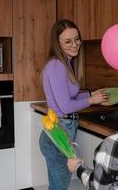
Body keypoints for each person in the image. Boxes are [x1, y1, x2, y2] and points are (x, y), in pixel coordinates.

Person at [39, 19, 108, 190]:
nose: (74, 44)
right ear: (57, 43)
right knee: (59, 187)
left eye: (77, 39)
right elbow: (65, 106)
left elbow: (72, 96)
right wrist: (92, 100)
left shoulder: (65, 64)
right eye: (68, 41)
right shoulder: (56, 66)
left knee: (57, 186)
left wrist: (92, 94)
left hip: (61, 130)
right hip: (59, 133)